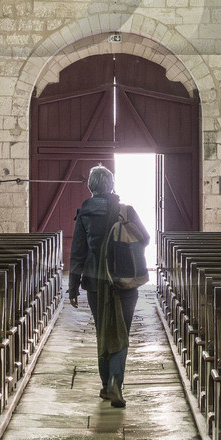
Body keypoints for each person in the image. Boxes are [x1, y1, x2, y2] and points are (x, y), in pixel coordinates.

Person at [67, 165, 149, 406]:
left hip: (95, 284)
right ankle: (115, 382)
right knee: (121, 330)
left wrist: (73, 287)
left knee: (103, 331)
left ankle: (106, 385)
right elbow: (144, 239)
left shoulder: (84, 212)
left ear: (91, 186)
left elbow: (78, 252)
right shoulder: (127, 210)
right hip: (125, 281)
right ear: (111, 185)